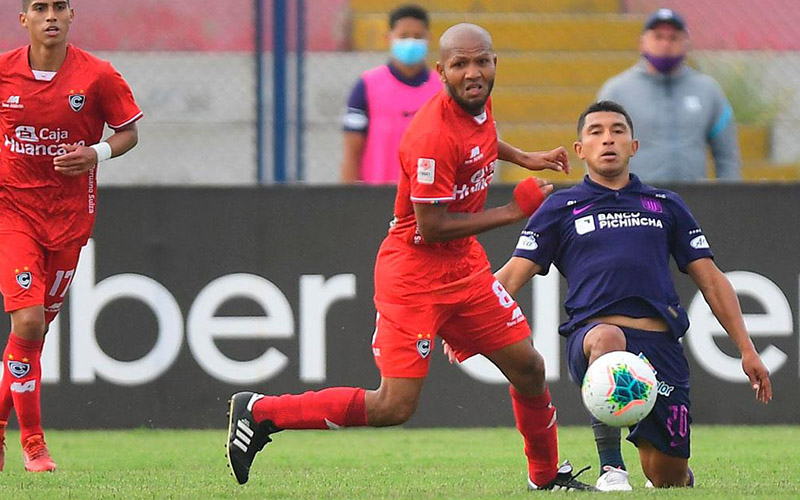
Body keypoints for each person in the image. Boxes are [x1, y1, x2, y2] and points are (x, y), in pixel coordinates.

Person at [226, 23, 596, 492]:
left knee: (528, 367)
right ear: (442, 72)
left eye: (481, 61)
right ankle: (262, 413)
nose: (473, 72)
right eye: (460, 65)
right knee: (393, 407)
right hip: (414, 274)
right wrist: (511, 211)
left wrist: (526, 158)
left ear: (494, 63)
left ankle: (546, 478)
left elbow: (481, 142)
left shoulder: (478, 104)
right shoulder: (430, 135)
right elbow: (431, 226)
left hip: (464, 268)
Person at [493, 100, 772, 489]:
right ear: (580, 149)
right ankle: (612, 468)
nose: (607, 139)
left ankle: (667, 467)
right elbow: (510, 275)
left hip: (660, 348)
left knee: (668, 477)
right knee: (608, 339)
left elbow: (711, 280)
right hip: (594, 338)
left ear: (634, 146)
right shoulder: (560, 206)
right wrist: (468, 324)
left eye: (617, 131)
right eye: (596, 132)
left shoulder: (666, 205)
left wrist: (746, 348)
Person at [0, 0, 142, 472]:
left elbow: (129, 132)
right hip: (12, 214)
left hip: (68, 220)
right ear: (24, 20)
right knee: (28, 322)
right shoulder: (3, 73)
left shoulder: (97, 75)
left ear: (71, 14)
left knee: (33, 336)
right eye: (40, 8)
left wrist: (95, 153)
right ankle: (34, 444)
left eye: (59, 6)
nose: (51, 16)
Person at [597, 8, 742, 182]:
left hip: (691, 202)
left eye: (673, 38)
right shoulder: (617, 91)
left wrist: (729, 199)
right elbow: (596, 151)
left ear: (686, 43)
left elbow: (727, 156)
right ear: (642, 42)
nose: (665, 44)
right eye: (658, 37)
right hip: (637, 201)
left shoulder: (708, 91)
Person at [340, 4, 441, 184]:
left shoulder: (442, 89)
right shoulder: (366, 85)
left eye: (418, 36)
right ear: (389, 38)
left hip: (429, 198)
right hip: (377, 194)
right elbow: (351, 151)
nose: (411, 42)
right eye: (403, 36)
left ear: (429, 39)